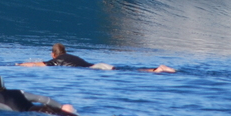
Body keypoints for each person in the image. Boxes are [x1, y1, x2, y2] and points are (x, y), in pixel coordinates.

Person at [0, 75, 126, 116]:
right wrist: (61, 107)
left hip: (37, 115)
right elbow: (42, 98)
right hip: (43, 109)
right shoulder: (19, 91)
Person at [18, 42, 176, 73]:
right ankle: (157, 69)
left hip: (97, 68)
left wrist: (20, 65)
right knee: (129, 70)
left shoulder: (56, 61)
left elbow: (38, 64)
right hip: (99, 65)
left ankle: (157, 69)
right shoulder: (70, 56)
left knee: (129, 71)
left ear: (53, 54)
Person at [18, 42, 97, 68]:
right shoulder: (73, 57)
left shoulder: (58, 60)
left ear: (53, 54)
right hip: (96, 66)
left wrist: (20, 64)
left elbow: (36, 64)